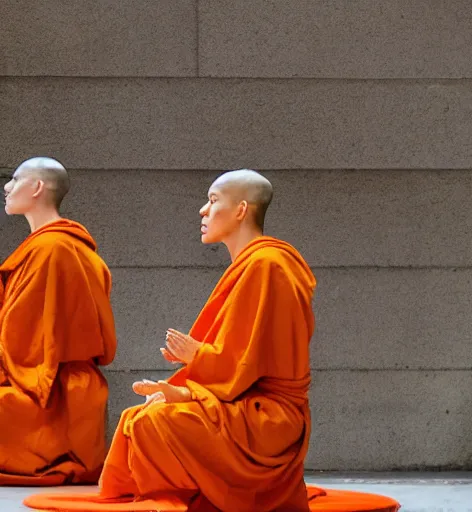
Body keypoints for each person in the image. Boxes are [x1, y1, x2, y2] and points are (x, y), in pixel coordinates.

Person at [25, 170, 399, 511]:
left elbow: (251, 368)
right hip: (240, 401)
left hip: (269, 418)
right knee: (138, 416)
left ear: (240, 210)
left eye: (213, 200)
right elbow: (243, 362)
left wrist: (197, 359)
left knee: (152, 423)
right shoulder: (252, 265)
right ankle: (184, 491)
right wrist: (182, 389)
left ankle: (187, 496)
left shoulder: (270, 266)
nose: (203, 210)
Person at [0, 157, 117, 485]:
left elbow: (29, 342)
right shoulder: (59, 247)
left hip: (49, 390)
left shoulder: (54, 249)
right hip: (54, 382)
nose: (7, 188)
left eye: (15, 179)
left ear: (36, 187)